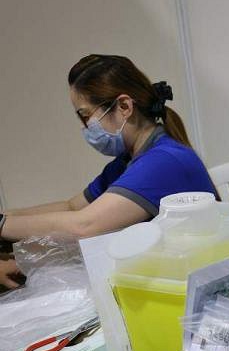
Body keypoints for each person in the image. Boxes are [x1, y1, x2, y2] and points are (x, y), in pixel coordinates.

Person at [0, 54, 217, 246]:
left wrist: (3, 225)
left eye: (85, 116)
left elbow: (83, 225)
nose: (85, 127)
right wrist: (7, 217)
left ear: (124, 107)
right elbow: (72, 207)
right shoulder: (127, 162)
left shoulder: (162, 161)